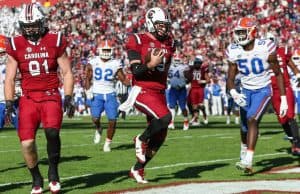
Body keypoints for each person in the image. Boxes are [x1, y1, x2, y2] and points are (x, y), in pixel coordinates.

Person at [4, 3, 74, 194]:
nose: (31, 30)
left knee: (52, 132)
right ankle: (36, 178)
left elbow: (66, 72)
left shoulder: (54, 39)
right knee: (26, 143)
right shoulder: (16, 43)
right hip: (28, 98)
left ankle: (53, 172)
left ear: (42, 23)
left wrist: (68, 96)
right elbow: (9, 77)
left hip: (50, 94)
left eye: (34, 25)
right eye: (27, 26)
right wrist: (9, 102)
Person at [226, 17, 288, 174]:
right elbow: (231, 77)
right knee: (244, 127)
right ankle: (243, 149)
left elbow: (278, 73)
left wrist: (283, 99)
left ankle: (248, 159)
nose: (239, 36)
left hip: (263, 90)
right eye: (238, 32)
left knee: (253, 119)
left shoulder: (265, 47)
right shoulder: (234, 50)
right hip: (246, 90)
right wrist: (234, 92)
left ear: (252, 32)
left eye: (242, 32)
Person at [121, 7, 175, 183]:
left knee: (161, 135)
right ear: (151, 23)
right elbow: (136, 71)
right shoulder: (136, 39)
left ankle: (138, 169)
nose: (164, 29)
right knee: (166, 117)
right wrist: (151, 64)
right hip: (143, 90)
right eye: (160, 25)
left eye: (166, 25)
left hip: (159, 91)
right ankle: (141, 138)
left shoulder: (170, 43)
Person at [85, 39, 130, 152]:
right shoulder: (93, 62)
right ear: (99, 50)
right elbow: (87, 78)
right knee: (95, 118)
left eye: (107, 50)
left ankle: (107, 144)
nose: (105, 52)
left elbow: (123, 79)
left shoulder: (115, 63)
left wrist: (133, 83)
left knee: (112, 120)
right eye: (104, 49)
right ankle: (99, 128)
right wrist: (87, 90)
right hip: (97, 93)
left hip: (110, 94)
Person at [266, 33, 300, 156]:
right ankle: (293, 141)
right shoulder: (261, 54)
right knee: (282, 119)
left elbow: (291, 64)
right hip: (273, 90)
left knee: (290, 116)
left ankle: (297, 144)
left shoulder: (282, 51)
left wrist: (298, 75)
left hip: (285, 87)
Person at [167, 53, 189, 130]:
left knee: (183, 107)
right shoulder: (170, 67)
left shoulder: (185, 67)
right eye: (175, 60)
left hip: (181, 89)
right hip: (173, 89)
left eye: (178, 60)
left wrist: (186, 80)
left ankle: (186, 121)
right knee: (171, 106)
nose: (176, 61)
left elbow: (189, 77)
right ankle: (171, 122)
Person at [0, 35, 18, 129]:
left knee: (24, 130)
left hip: (14, 101)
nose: (1, 56)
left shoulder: (13, 64)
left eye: (3, 53)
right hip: (1, 102)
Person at [186, 56, 209, 126]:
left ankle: (204, 115)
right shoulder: (191, 69)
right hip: (193, 88)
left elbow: (208, 80)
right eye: (196, 63)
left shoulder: (203, 70)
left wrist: (203, 81)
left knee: (200, 105)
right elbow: (187, 73)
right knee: (194, 106)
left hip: (200, 89)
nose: (197, 64)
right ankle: (196, 119)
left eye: (198, 63)